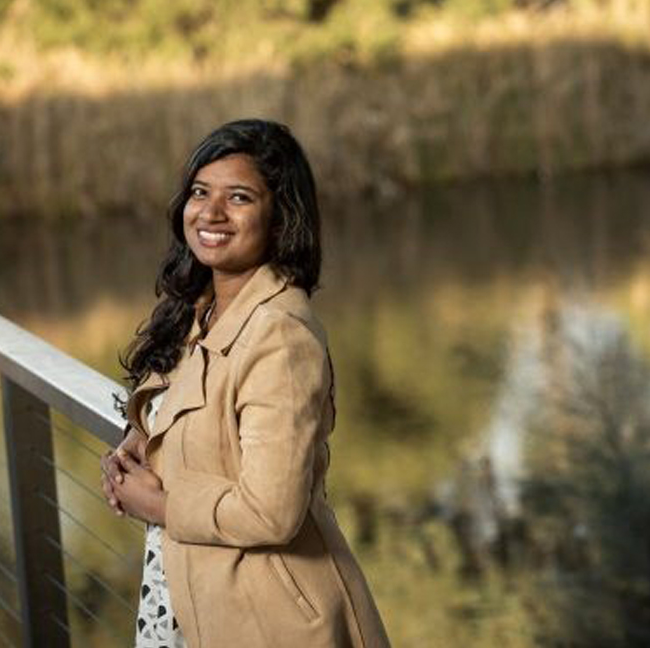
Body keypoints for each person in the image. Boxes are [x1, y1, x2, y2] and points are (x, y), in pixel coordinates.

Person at [99, 119, 391, 648]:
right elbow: (191, 414)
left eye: (238, 197)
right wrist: (138, 447)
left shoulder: (280, 337)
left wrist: (157, 505)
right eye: (199, 193)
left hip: (270, 619)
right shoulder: (203, 308)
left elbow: (271, 511)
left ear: (280, 218)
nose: (210, 213)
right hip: (189, 595)